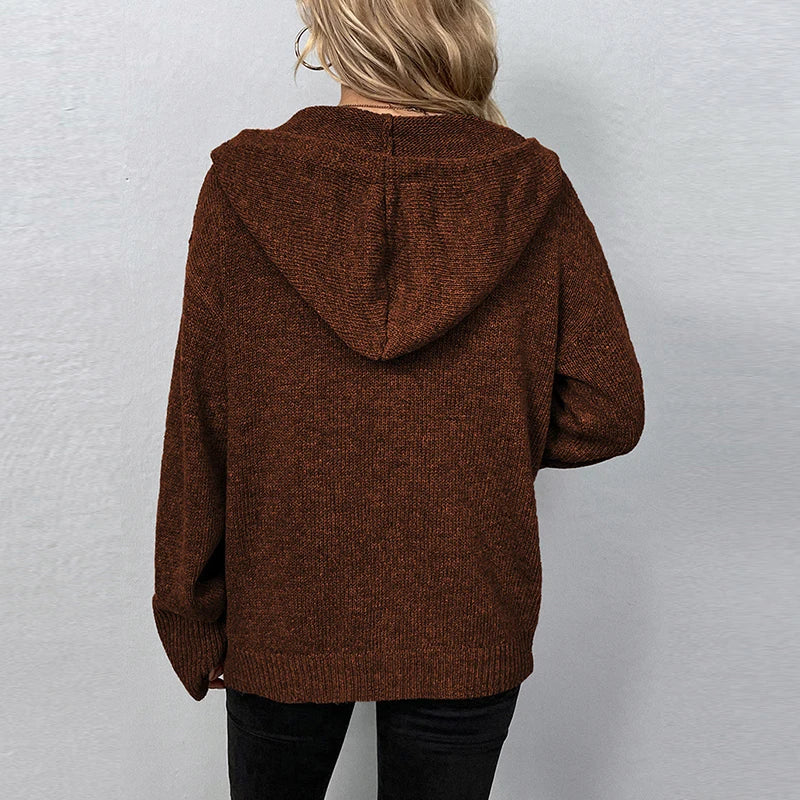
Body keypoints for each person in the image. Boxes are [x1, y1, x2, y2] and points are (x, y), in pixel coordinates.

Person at [151, 1, 646, 797]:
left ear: (332, 40)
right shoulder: (530, 186)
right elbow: (606, 408)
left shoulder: (245, 184)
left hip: (282, 599)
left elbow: (200, 419)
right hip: (468, 601)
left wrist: (188, 607)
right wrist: (476, 433)